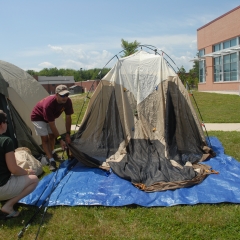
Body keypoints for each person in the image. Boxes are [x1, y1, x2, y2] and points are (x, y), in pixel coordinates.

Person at [0, 110, 39, 219]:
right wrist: (27, 171)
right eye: (6, 122)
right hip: (2, 187)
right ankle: (8, 206)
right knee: (34, 179)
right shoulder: (6, 141)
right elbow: (14, 169)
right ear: (2, 124)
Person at [31, 85, 74, 171]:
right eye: (62, 95)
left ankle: (52, 152)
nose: (65, 98)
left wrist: (68, 134)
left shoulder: (68, 102)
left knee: (52, 136)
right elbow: (52, 125)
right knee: (45, 139)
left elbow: (68, 118)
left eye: (66, 95)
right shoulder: (49, 104)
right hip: (38, 117)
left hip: (50, 118)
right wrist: (60, 140)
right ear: (56, 95)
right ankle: (51, 161)